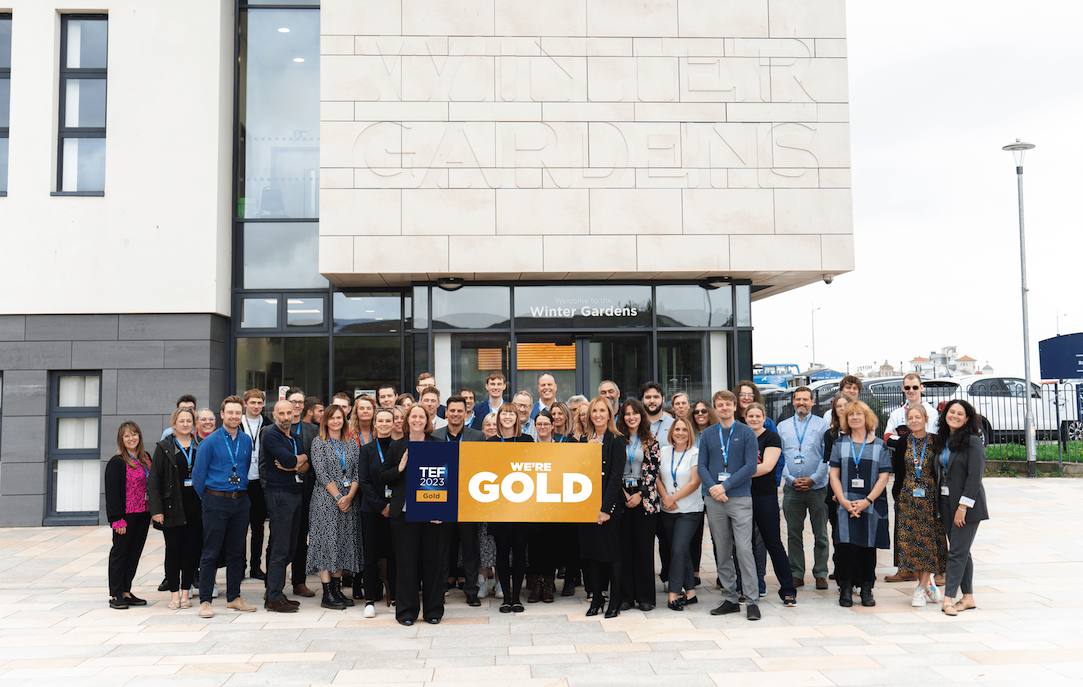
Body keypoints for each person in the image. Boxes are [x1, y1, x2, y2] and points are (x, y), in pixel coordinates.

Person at [379, 404, 452, 626]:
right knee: (406, 564)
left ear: (427, 421)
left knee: (433, 564)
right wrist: (400, 467)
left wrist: (442, 510)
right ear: (407, 421)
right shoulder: (398, 445)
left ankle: (433, 611)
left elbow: (447, 479)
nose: (418, 420)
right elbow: (383, 476)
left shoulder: (438, 445)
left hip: (432, 514)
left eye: (422, 416)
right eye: (414, 416)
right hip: (404, 514)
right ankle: (407, 612)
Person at [191, 396, 256, 618]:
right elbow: (198, 477)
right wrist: (210, 499)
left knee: (237, 552)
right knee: (210, 552)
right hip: (215, 500)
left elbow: (244, 469)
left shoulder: (246, 440)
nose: (234, 416)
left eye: (238, 413)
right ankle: (205, 601)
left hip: (240, 501)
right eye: (230, 413)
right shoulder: (209, 442)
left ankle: (234, 597)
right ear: (223, 415)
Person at [699, 390, 761, 621]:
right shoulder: (708, 434)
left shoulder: (746, 432)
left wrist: (724, 487)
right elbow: (702, 466)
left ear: (736, 407)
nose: (724, 408)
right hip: (714, 500)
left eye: (728, 404)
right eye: (719, 405)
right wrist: (714, 488)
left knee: (744, 550)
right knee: (722, 550)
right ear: (715, 408)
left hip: (740, 498)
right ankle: (730, 598)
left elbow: (750, 467)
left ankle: (752, 601)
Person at [829, 400, 891, 608]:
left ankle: (867, 589)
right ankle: (845, 590)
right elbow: (834, 475)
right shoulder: (840, 444)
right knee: (846, 548)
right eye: (850, 415)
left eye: (859, 414)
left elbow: (884, 477)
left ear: (867, 418)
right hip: (845, 503)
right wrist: (844, 501)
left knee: (867, 549)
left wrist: (866, 501)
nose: (855, 418)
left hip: (870, 503)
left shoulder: (879, 444)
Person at [883, 373, 941, 584]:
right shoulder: (897, 412)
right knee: (904, 527)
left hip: (928, 479)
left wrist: (907, 439)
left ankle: (939, 571)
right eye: (907, 387)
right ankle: (905, 568)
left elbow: (932, 437)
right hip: (906, 477)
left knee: (932, 527)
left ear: (921, 388)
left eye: (915, 387)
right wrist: (906, 441)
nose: (911, 391)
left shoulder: (932, 412)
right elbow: (888, 437)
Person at [934, 400, 988, 616]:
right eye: (951, 412)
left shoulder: (973, 442)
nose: (954, 416)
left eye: (960, 413)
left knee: (956, 551)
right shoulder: (943, 440)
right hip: (946, 502)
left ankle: (948, 599)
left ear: (967, 418)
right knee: (962, 550)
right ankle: (968, 597)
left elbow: (975, 477)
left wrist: (963, 507)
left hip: (967, 506)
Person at [431, 395, 486, 607]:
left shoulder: (477, 436)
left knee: (470, 548)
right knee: (442, 548)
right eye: (452, 411)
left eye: (459, 411)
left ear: (466, 413)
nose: (455, 414)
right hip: (442, 500)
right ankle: (440, 587)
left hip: (468, 500)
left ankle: (471, 590)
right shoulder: (434, 436)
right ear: (446, 413)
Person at [891, 404, 947, 608]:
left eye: (917, 417)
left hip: (930, 500)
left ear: (925, 418)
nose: (914, 421)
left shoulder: (937, 441)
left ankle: (920, 589)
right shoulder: (903, 442)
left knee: (928, 545)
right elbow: (898, 472)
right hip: (907, 499)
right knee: (908, 546)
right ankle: (929, 584)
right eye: (910, 418)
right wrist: (896, 497)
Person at [307, 404, 360, 611]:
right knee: (325, 543)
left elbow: (357, 473)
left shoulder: (352, 444)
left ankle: (337, 590)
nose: (336, 421)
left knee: (341, 543)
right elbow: (321, 474)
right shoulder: (319, 443)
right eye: (332, 418)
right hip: (326, 502)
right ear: (325, 421)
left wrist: (349, 496)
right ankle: (327, 592)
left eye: (339, 417)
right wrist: (339, 496)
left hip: (348, 501)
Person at [744, 403, 798, 607]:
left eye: (758, 415)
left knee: (773, 543)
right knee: (744, 545)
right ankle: (747, 588)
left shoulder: (771, 438)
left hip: (764, 496)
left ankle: (788, 590)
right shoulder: (740, 436)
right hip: (742, 496)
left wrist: (737, 473)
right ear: (745, 417)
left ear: (764, 417)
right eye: (750, 416)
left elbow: (767, 466)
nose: (754, 419)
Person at [578, 396, 627, 618]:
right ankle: (596, 598)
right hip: (586, 505)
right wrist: (586, 454)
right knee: (591, 554)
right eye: (594, 411)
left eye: (602, 410)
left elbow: (616, 477)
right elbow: (577, 474)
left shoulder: (617, 440)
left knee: (612, 554)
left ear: (610, 414)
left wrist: (606, 509)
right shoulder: (583, 441)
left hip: (609, 507)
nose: (598, 414)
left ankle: (614, 600)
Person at [777, 386, 831, 591]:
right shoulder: (782, 427)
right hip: (792, 488)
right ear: (793, 402)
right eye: (798, 399)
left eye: (805, 399)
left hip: (817, 488)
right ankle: (796, 573)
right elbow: (779, 457)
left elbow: (827, 455)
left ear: (812, 402)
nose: (801, 403)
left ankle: (820, 573)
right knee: (793, 533)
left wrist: (814, 478)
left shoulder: (823, 425)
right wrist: (790, 479)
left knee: (821, 534)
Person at [149, 408, 203, 609]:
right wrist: (157, 510)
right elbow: (154, 481)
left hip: (195, 509)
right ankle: (174, 594)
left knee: (191, 551)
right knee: (174, 552)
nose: (186, 424)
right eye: (182, 421)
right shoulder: (164, 447)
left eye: (189, 420)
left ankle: (186, 593)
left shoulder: (200, 445)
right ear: (174, 424)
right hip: (172, 508)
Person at [261, 399, 309, 613]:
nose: (286, 417)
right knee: (280, 547)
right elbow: (290, 461)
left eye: (289, 413)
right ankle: (273, 596)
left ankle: (276, 590)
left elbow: (306, 465)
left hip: (296, 493)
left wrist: (298, 461)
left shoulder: (296, 437)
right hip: (280, 494)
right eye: (282, 413)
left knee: (291, 547)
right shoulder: (270, 434)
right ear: (274, 414)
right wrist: (296, 462)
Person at [487, 402, 535, 613]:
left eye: (511, 414)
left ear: (517, 418)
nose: (507, 417)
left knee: (519, 551)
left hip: (522, 505)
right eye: (504, 413)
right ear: (499, 418)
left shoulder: (528, 440)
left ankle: (517, 597)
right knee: (502, 552)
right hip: (499, 506)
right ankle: (506, 597)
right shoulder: (490, 442)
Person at [616, 399, 661, 612]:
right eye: (627, 414)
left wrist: (640, 494)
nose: (631, 417)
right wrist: (624, 494)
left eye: (635, 413)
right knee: (624, 548)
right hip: (622, 497)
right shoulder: (617, 439)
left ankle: (645, 597)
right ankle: (626, 596)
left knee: (643, 549)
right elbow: (613, 470)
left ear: (641, 415)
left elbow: (653, 470)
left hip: (646, 500)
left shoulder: (651, 440)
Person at [105, 421, 153, 610]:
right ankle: (116, 594)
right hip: (125, 516)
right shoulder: (116, 462)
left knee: (134, 554)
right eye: (127, 436)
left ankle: (126, 590)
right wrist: (116, 519)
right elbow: (112, 493)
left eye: (134, 434)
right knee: (120, 554)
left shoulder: (146, 459)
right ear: (121, 439)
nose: (131, 438)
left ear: (139, 436)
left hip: (143, 513)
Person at [357, 407, 398, 618]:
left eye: (387, 420)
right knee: (371, 556)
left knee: (393, 554)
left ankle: (394, 596)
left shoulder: (400, 447)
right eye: (380, 420)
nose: (383, 424)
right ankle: (370, 600)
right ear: (375, 424)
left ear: (393, 424)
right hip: (372, 510)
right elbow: (363, 481)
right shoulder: (366, 450)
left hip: (395, 509)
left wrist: (392, 506)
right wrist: (381, 506)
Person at [657, 418, 701, 610]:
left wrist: (672, 498)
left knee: (677, 550)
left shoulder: (696, 453)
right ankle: (691, 593)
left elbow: (694, 483)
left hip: (689, 510)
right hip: (667, 511)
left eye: (684, 429)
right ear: (672, 432)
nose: (680, 433)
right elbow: (656, 476)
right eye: (677, 429)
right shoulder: (664, 451)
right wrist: (665, 497)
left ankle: (673, 594)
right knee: (680, 550)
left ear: (689, 432)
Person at [283, 388, 319, 599]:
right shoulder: (273, 429)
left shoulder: (312, 430)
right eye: (293, 402)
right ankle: (275, 583)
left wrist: (300, 467)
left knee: (301, 538)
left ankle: (299, 582)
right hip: (282, 492)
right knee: (280, 539)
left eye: (299, 402)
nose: (296, 406)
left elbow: (315, 461)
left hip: (306, 490)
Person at [239, 389, 268, 582]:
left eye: (259, 403)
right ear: (245, 403)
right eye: (253, 402)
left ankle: (256, 567)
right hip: (241, 482)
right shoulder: (237, 423)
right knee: (240, 527)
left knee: (258, 527)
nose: (256, 406)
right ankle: (239, 567)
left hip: (261, 482)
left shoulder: (268, 425)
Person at [824, 393, 848, 580]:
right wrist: (836, 491)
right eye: (838, 406)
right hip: (834, 489)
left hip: (858, 491)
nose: (842, 408)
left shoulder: (861, 432)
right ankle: (840, 569)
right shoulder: (830, 435)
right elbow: (829, 464)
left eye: (845, 405)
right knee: (837, 531)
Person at [640, 382, 674, 449]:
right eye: (648, 397)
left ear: (663, 399)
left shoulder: (673, 424)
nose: (652, 401)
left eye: (656, 397)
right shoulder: (636, 424)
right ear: (642, 400)